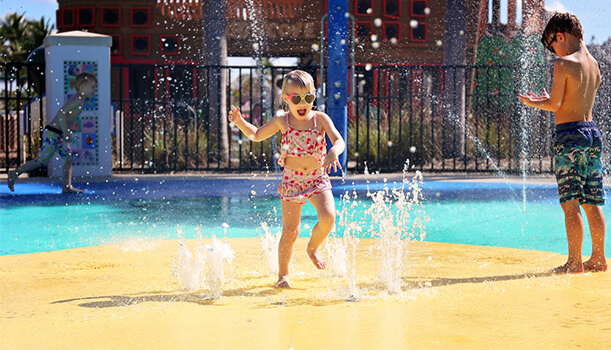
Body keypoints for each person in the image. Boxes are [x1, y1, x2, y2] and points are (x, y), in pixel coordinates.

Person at [229, 70, 345, 287]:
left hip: (317, 179)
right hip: (292, 182)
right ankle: (283, 275)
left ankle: (312, 248)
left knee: (328, 217)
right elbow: (256, 135)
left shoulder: (320, 119)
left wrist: (334, 152)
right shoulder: (282, 120)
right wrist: (240, 122)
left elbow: (339, 140)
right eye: (296, 98)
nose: (303, 103)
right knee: (290, 231)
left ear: (314, 96)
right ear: (285, 99)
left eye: (308, 98)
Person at [518, 12, 606, 273]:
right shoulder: (594, 65)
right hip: (592, 135)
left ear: (561, 36)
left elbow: (556, 105)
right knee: (592, 201)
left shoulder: (563, 63)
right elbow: (575, 100)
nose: (552, 51)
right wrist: (552, 98)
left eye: (552, 44)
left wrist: (533, 102)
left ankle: (574, 262)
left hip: (570, 137)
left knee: (570, 203)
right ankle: (599, 259)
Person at [8, 72, 98, 194]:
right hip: (53, 133)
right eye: (92, 87)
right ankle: (14, 173)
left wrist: (66, 131)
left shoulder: (80, 101)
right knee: (41, 161)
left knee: (69, 157)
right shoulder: (77, 100)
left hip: (58, 134)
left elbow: (66, 117)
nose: (95, 89)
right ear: (82, 87)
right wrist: (66, 132)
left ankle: (67, 186)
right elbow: (61, 113)